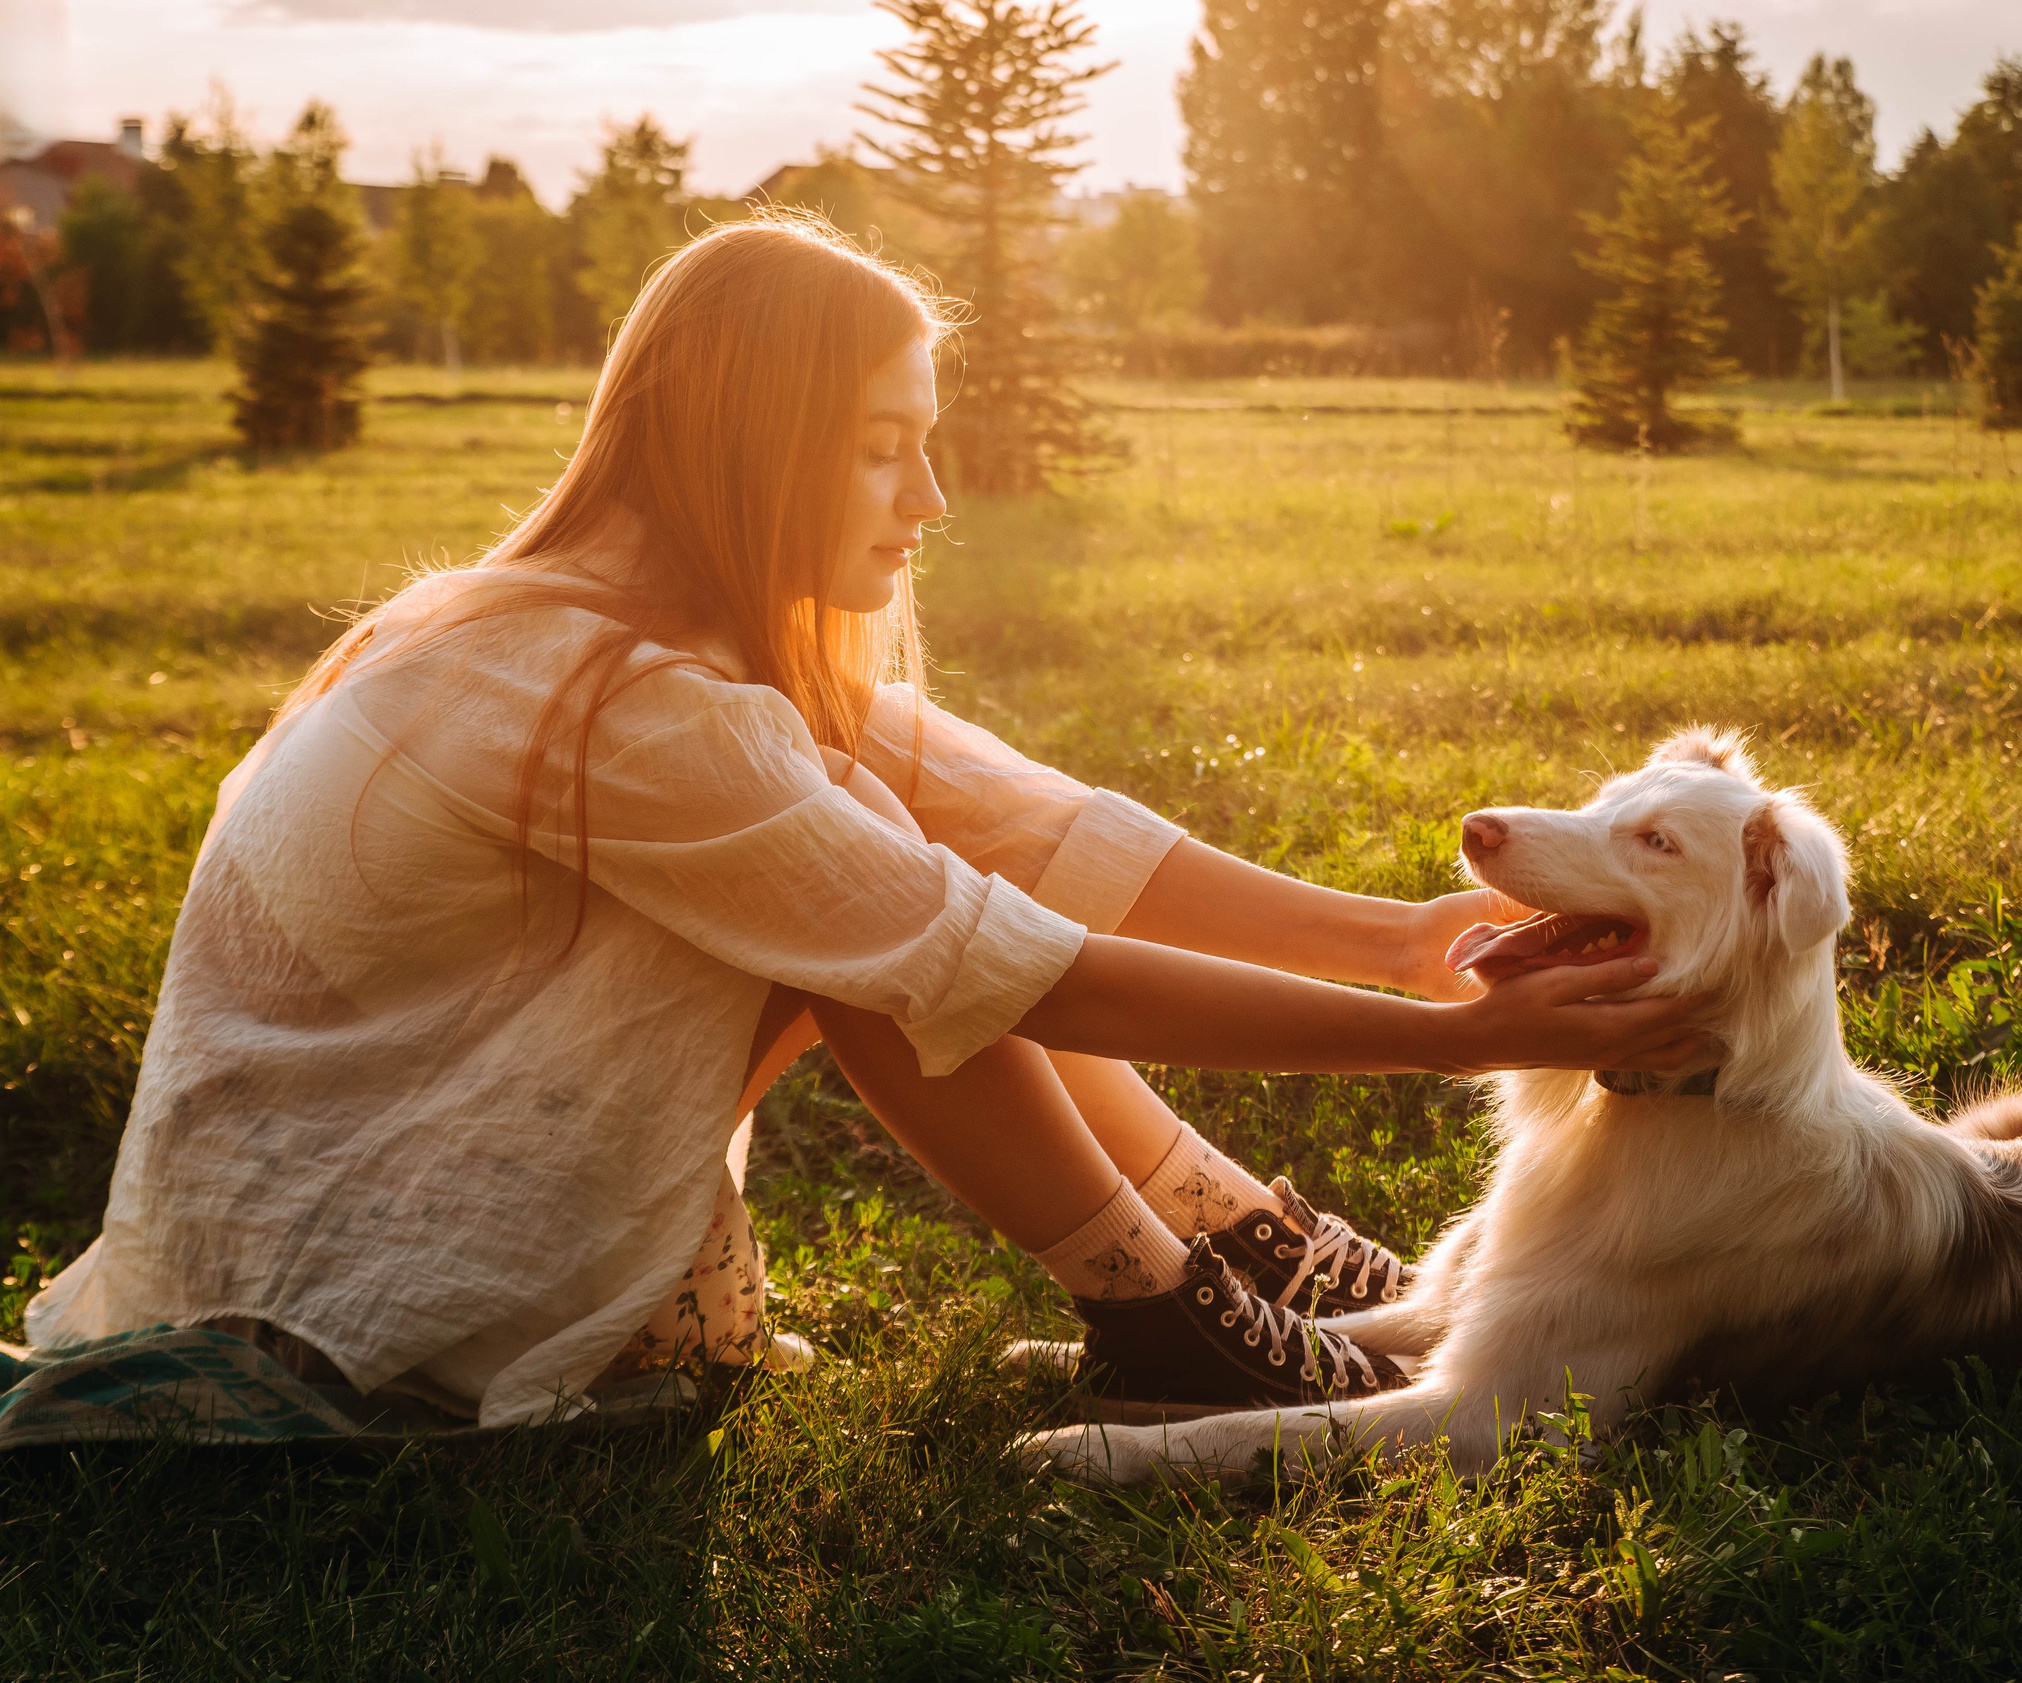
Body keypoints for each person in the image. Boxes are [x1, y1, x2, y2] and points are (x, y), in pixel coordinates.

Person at [24, 214, 1695, 1430]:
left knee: (891, 848)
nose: (932, 500)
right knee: (892, 923)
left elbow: (1032, 818)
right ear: (753, 449)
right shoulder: (624, 704)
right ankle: (1177, 1315)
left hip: (330, 1200)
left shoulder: (610, 637)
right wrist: (1451, 1042)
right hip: (358, 1276)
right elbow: (1006, 964)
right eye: (884, 450)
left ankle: (1228, 1258)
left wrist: (1395, 944)